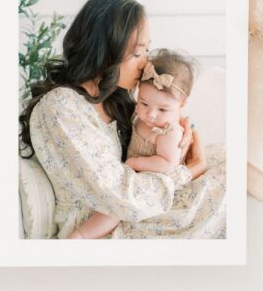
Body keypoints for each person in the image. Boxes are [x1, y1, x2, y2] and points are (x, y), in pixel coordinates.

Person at [19, 0, 210, 240]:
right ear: (104, 51)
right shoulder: (61, 106)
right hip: (97, 226)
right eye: (137, 53)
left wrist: (185, 128)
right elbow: (118, 196)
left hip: (141, 206)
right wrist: (189, 171)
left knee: (229, 166)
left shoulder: (116, 98)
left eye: (147, 50)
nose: (146, 64)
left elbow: (162, 129)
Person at [66, 49, 197, 239]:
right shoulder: (141, 116)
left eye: (162, 109)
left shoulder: (170, 131)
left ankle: (81, 235)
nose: (151, 115)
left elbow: (167, 163)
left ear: (182, 103)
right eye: (143, 103)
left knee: (116, 210)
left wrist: (135, 163)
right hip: (135, 175)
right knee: (112, 202)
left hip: (154, 183)